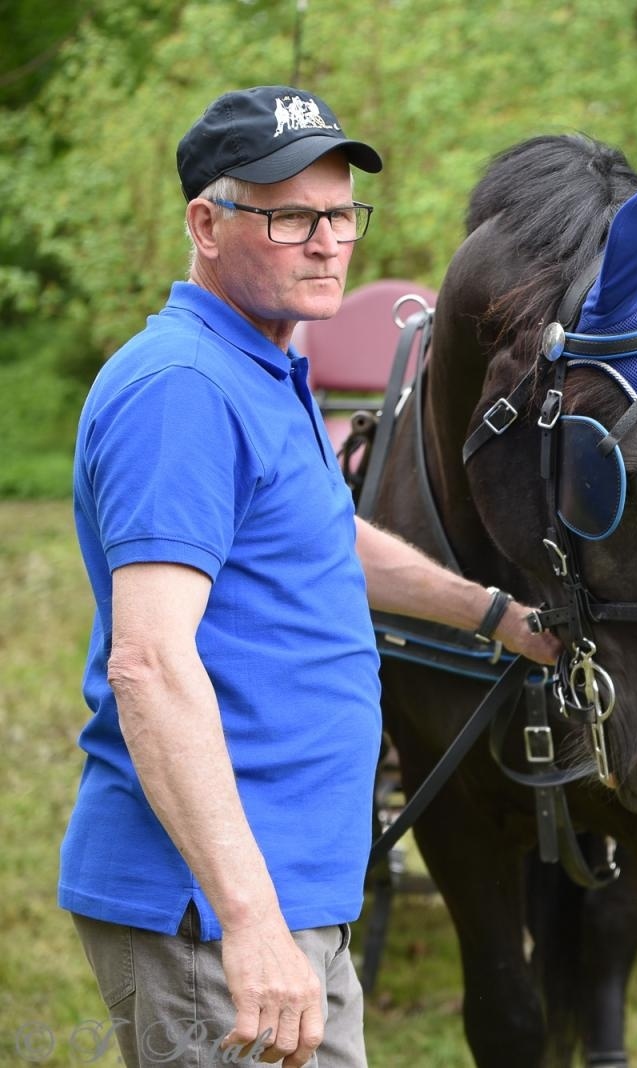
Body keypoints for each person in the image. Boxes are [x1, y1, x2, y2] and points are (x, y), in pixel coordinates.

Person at [60, 85, 561, 1068]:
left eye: (340, 214)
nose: (329, 241)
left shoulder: (262, 367)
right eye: (291, 215)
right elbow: (150, 666)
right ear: (206, 223)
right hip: (211, 911)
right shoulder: (184, 392)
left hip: (282, 891)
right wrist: (249, 922)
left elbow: (325, 539)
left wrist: (496, 614)